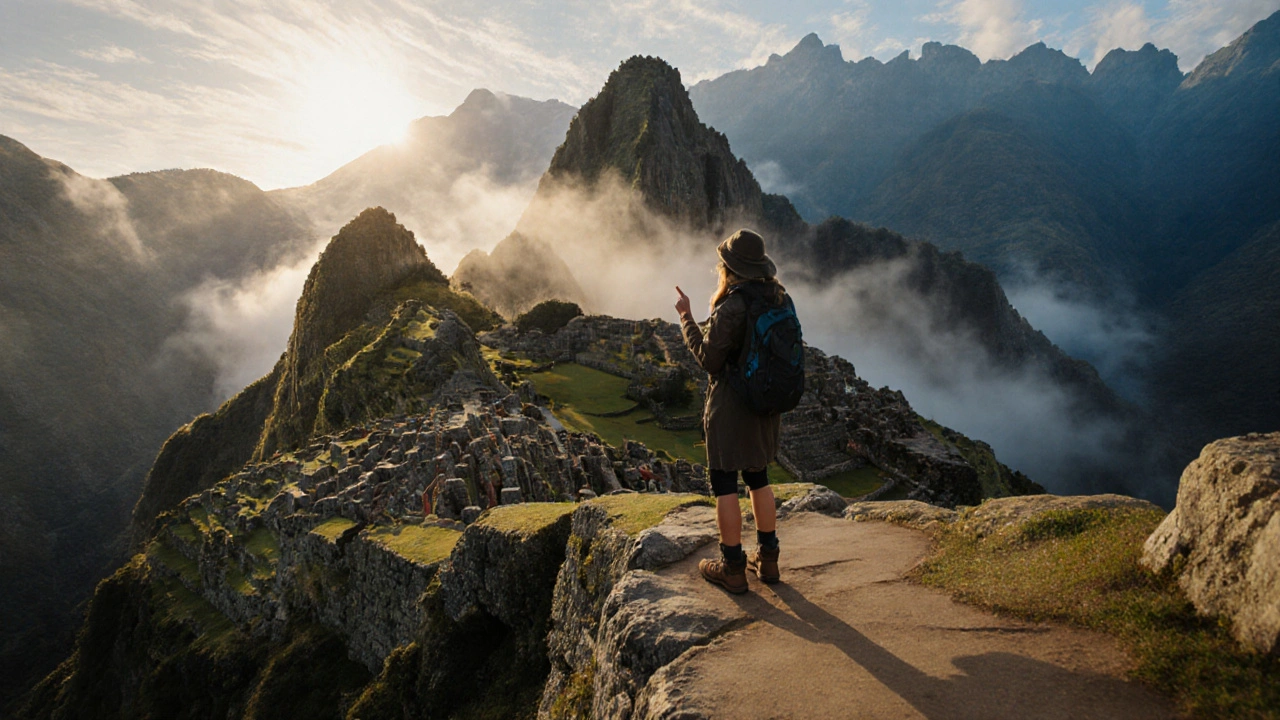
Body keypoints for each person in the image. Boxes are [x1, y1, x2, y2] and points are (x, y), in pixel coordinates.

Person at [675, 228, 785, 594]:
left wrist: (686, 319)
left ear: (729, 268)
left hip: (731, 407)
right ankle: (768, 560)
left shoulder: (733, 305)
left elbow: (709, 359)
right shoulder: (778, 298)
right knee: (758, 477)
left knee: (724, 483)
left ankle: (733, 566)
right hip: (765, 405)